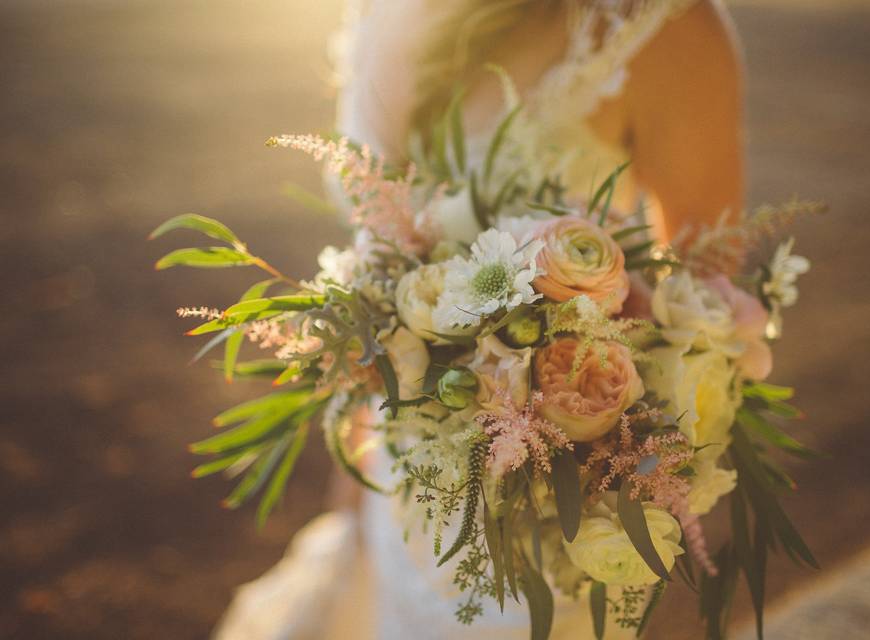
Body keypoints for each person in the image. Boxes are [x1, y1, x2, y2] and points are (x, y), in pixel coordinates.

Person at [216, 1, 743, 637]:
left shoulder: (660, 26)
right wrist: (354, 475)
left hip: (537, 524)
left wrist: (583, 416)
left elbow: (703, 302)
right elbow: (381, 268)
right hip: (394, 475)